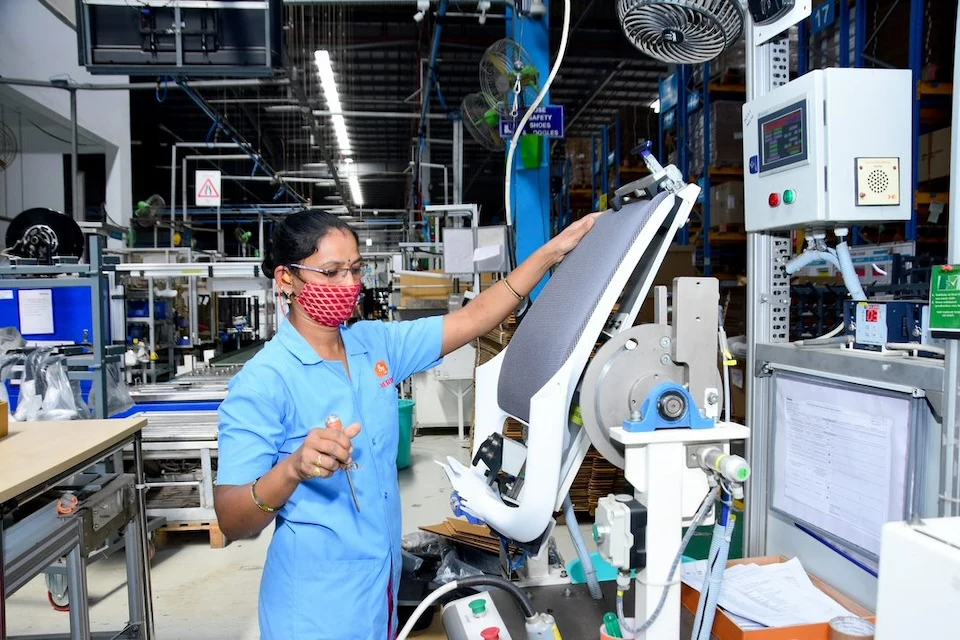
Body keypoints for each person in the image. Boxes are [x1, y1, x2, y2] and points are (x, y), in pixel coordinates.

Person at [214, 208, 599, 639]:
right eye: (332, 272)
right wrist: (292, 469)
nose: (348, 285)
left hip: (380, 594)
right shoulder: (264, 382)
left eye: (355, 270)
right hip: (315, 610)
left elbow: (474, 319)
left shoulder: (373, 344)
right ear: (287, 279)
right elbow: (232, 518)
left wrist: (550, 254)